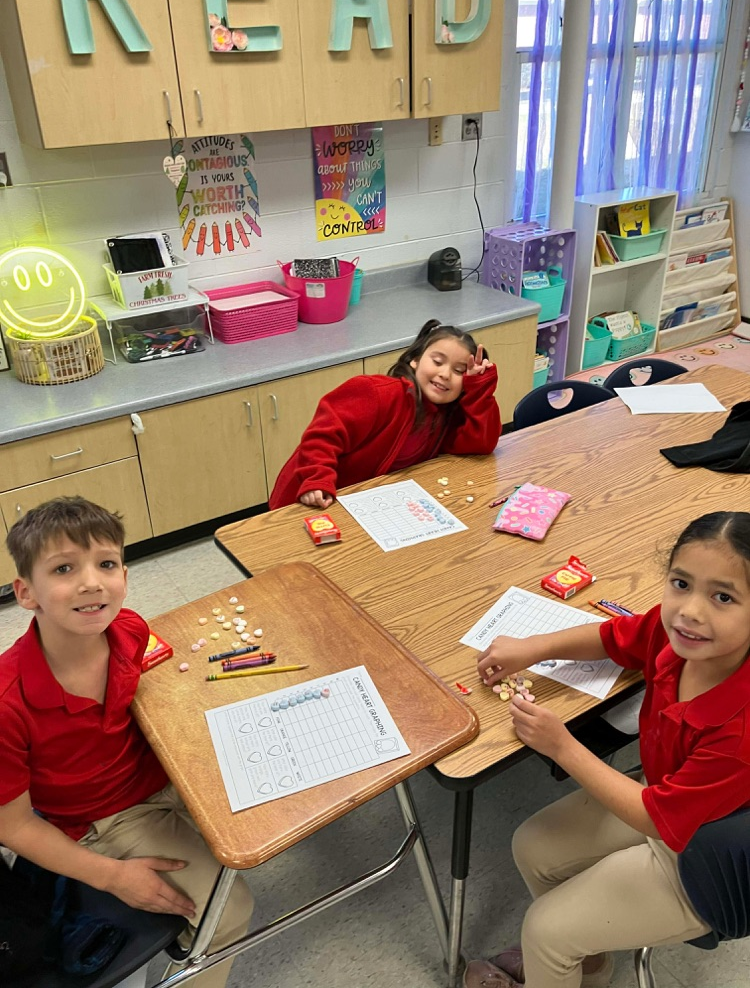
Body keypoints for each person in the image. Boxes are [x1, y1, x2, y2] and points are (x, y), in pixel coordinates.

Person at [466, 511, 750, 988]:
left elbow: (657, 819)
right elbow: (615, 637)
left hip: (709, 863)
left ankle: (559, 956)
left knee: (544, 930)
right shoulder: (676, 634)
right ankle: (587, 966)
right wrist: (532, 648)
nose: (691, 611)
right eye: (681, 583)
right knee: (532, 846)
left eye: (723, 597)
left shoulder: (741, 728)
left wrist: (562, 745)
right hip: (666, 800)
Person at [0, 496, 253, 988]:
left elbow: (143, 696)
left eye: (107, 563)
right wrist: (108, 875)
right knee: (231, 910)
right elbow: (13, 826)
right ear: (26, 592)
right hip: (103, 819)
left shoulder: (129, 629)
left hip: (162, 774)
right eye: (65, 568)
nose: (92, 581)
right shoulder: (7, 703)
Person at [269, 319, 501, 509]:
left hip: (365, 503)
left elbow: (481, 444)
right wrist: (316, 479)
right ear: (415, 360)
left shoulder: (446, 414)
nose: (445, 374)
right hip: (309, 495)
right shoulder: (375, 393)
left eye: (459, 371)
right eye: (438, 361)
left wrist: (478, 389)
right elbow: (321, 437)